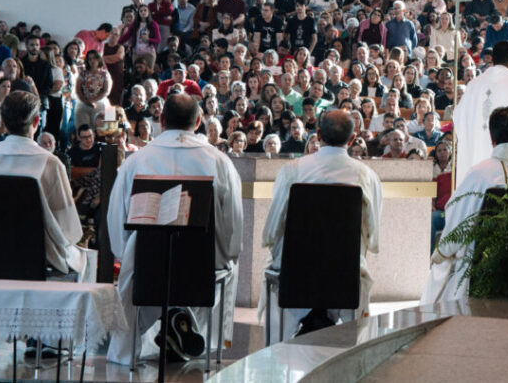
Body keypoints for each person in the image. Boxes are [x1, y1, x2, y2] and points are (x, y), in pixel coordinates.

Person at [106, 93, 243, 365]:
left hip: (147, 268)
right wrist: (226, 256)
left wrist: (127, 254)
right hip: (202, 270)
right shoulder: (219, 162)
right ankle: (186, 322)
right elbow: (232, 230)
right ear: (199, 121)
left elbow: (116, 222)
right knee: (228, 266)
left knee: (134, 263)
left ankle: (167, 319)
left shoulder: (136, 161)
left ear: (162, 121)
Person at [261, 109, 382, 340]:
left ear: (317, 134)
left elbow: (271, 232)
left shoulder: (292, 170)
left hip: (295, 272)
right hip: (345, 272)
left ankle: (277, 347)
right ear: (352, 138)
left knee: (276, 262)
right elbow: (373, 236)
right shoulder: (366, 176)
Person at [421, 106, 508, 305]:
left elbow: (457, 224)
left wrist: (442, 252)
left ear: (491, 138)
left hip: (479, 270)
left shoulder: (480, 174)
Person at [0, 91, 89, 279]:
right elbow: (68, 228)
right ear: (37, 121)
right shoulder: (51, 163)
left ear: (3, 121)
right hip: (36, 260)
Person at [451, 41, 508, 183]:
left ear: (493, 59)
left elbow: (459, 118)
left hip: (477, 157)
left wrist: (479, 136)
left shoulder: (474, 85)